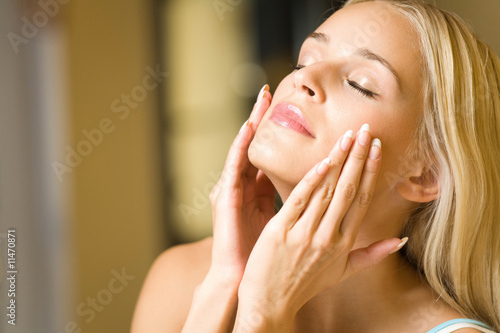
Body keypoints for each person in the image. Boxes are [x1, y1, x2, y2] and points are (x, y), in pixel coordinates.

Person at [131, 0, 500, 332]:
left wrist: (262, 315)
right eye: (305, 60)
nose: (302, 78)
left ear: (426, 175)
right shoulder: (180, 277)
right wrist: (226, 282)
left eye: (360, 84)